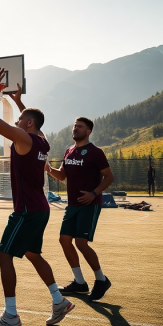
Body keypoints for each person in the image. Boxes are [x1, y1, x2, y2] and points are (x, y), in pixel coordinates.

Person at [0, 73, 73, 326]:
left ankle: (11, 315)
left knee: (4, 255)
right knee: (33, 254)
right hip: (40, 209)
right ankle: (58, 300)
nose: (17, 121)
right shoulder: (43, 141)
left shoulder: (25, 138)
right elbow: (35, 122)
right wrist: (20, 103)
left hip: (27, 211)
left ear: (28, 124)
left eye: (20, 119)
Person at [46, 116, 115, 302]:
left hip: (89, 205)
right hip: (73, 205)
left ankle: (101, 279)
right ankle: (80, 283)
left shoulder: (95, 152)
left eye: (80, 127)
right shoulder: (69, 151)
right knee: (64, 240)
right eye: (75, 126)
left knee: (81, 243)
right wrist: (48, 169)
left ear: (88, 131)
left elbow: (109, 177)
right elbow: (62, 176)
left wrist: (94, 193)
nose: (75, 129)